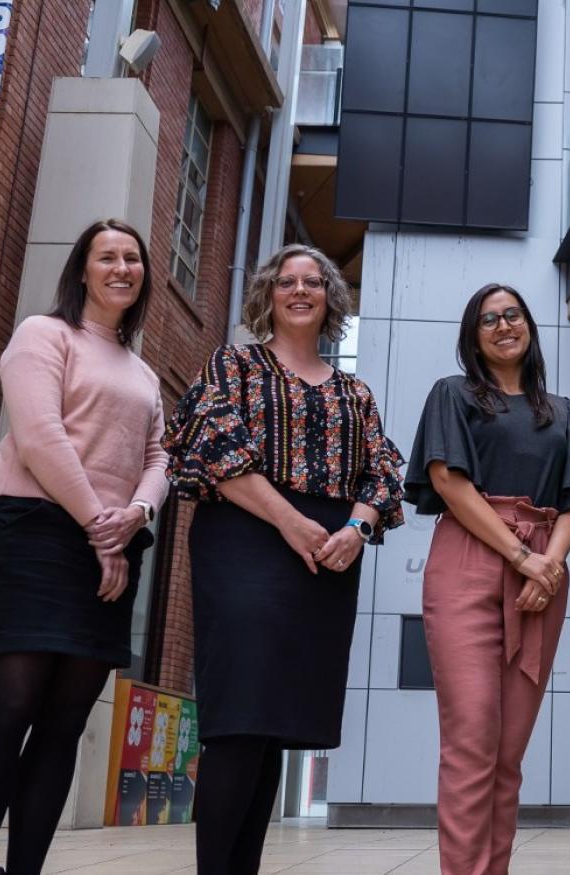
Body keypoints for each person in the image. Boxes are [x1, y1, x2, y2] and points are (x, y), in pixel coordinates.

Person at [162, 243, 404, 875]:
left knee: (273, 724)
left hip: (328, 559)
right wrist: (292, 521)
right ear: (268, 294)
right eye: (287, 282)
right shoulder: (234, 364)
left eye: (314, 282)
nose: (300, 291)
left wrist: (355, 527)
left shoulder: (355, 390)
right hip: (245, 542)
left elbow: (384, 471)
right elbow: (211, 446)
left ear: (330, 298)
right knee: (240, 716)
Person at [0, 219, 166, 875]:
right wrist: (98, 527)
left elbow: (160, 456)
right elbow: (40, 434)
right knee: (10, 707)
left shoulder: (143, 372)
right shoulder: (42, 335)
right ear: (83, 269)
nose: (121, 267)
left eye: (132, 258)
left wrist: (135, 513)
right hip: (31, 531)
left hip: (110, 545)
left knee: (64, 723)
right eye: (107, 256)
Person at [405, 283, 570, 875]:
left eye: (513, 314)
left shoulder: (563, 411)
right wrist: (522, 558)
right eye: (488, 319)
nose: (503, 325)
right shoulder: (454, 395)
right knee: (471, 741)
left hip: (545, 567)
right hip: (472, 556)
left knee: (509, 751)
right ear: (473, 335)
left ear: (530, 326)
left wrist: (552, 563)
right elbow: (448, 482)